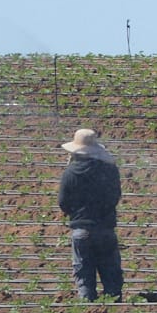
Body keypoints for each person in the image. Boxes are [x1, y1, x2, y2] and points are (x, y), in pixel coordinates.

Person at [57, 128, 123, 301]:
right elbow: (115, 196)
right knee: (111, 271)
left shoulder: (70, 172)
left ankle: (87, 309)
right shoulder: (110, 170)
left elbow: (63, 202)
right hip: (106, 228)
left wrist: (74, 212)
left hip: (81, 229)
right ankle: (115, 306)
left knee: (83, 272)